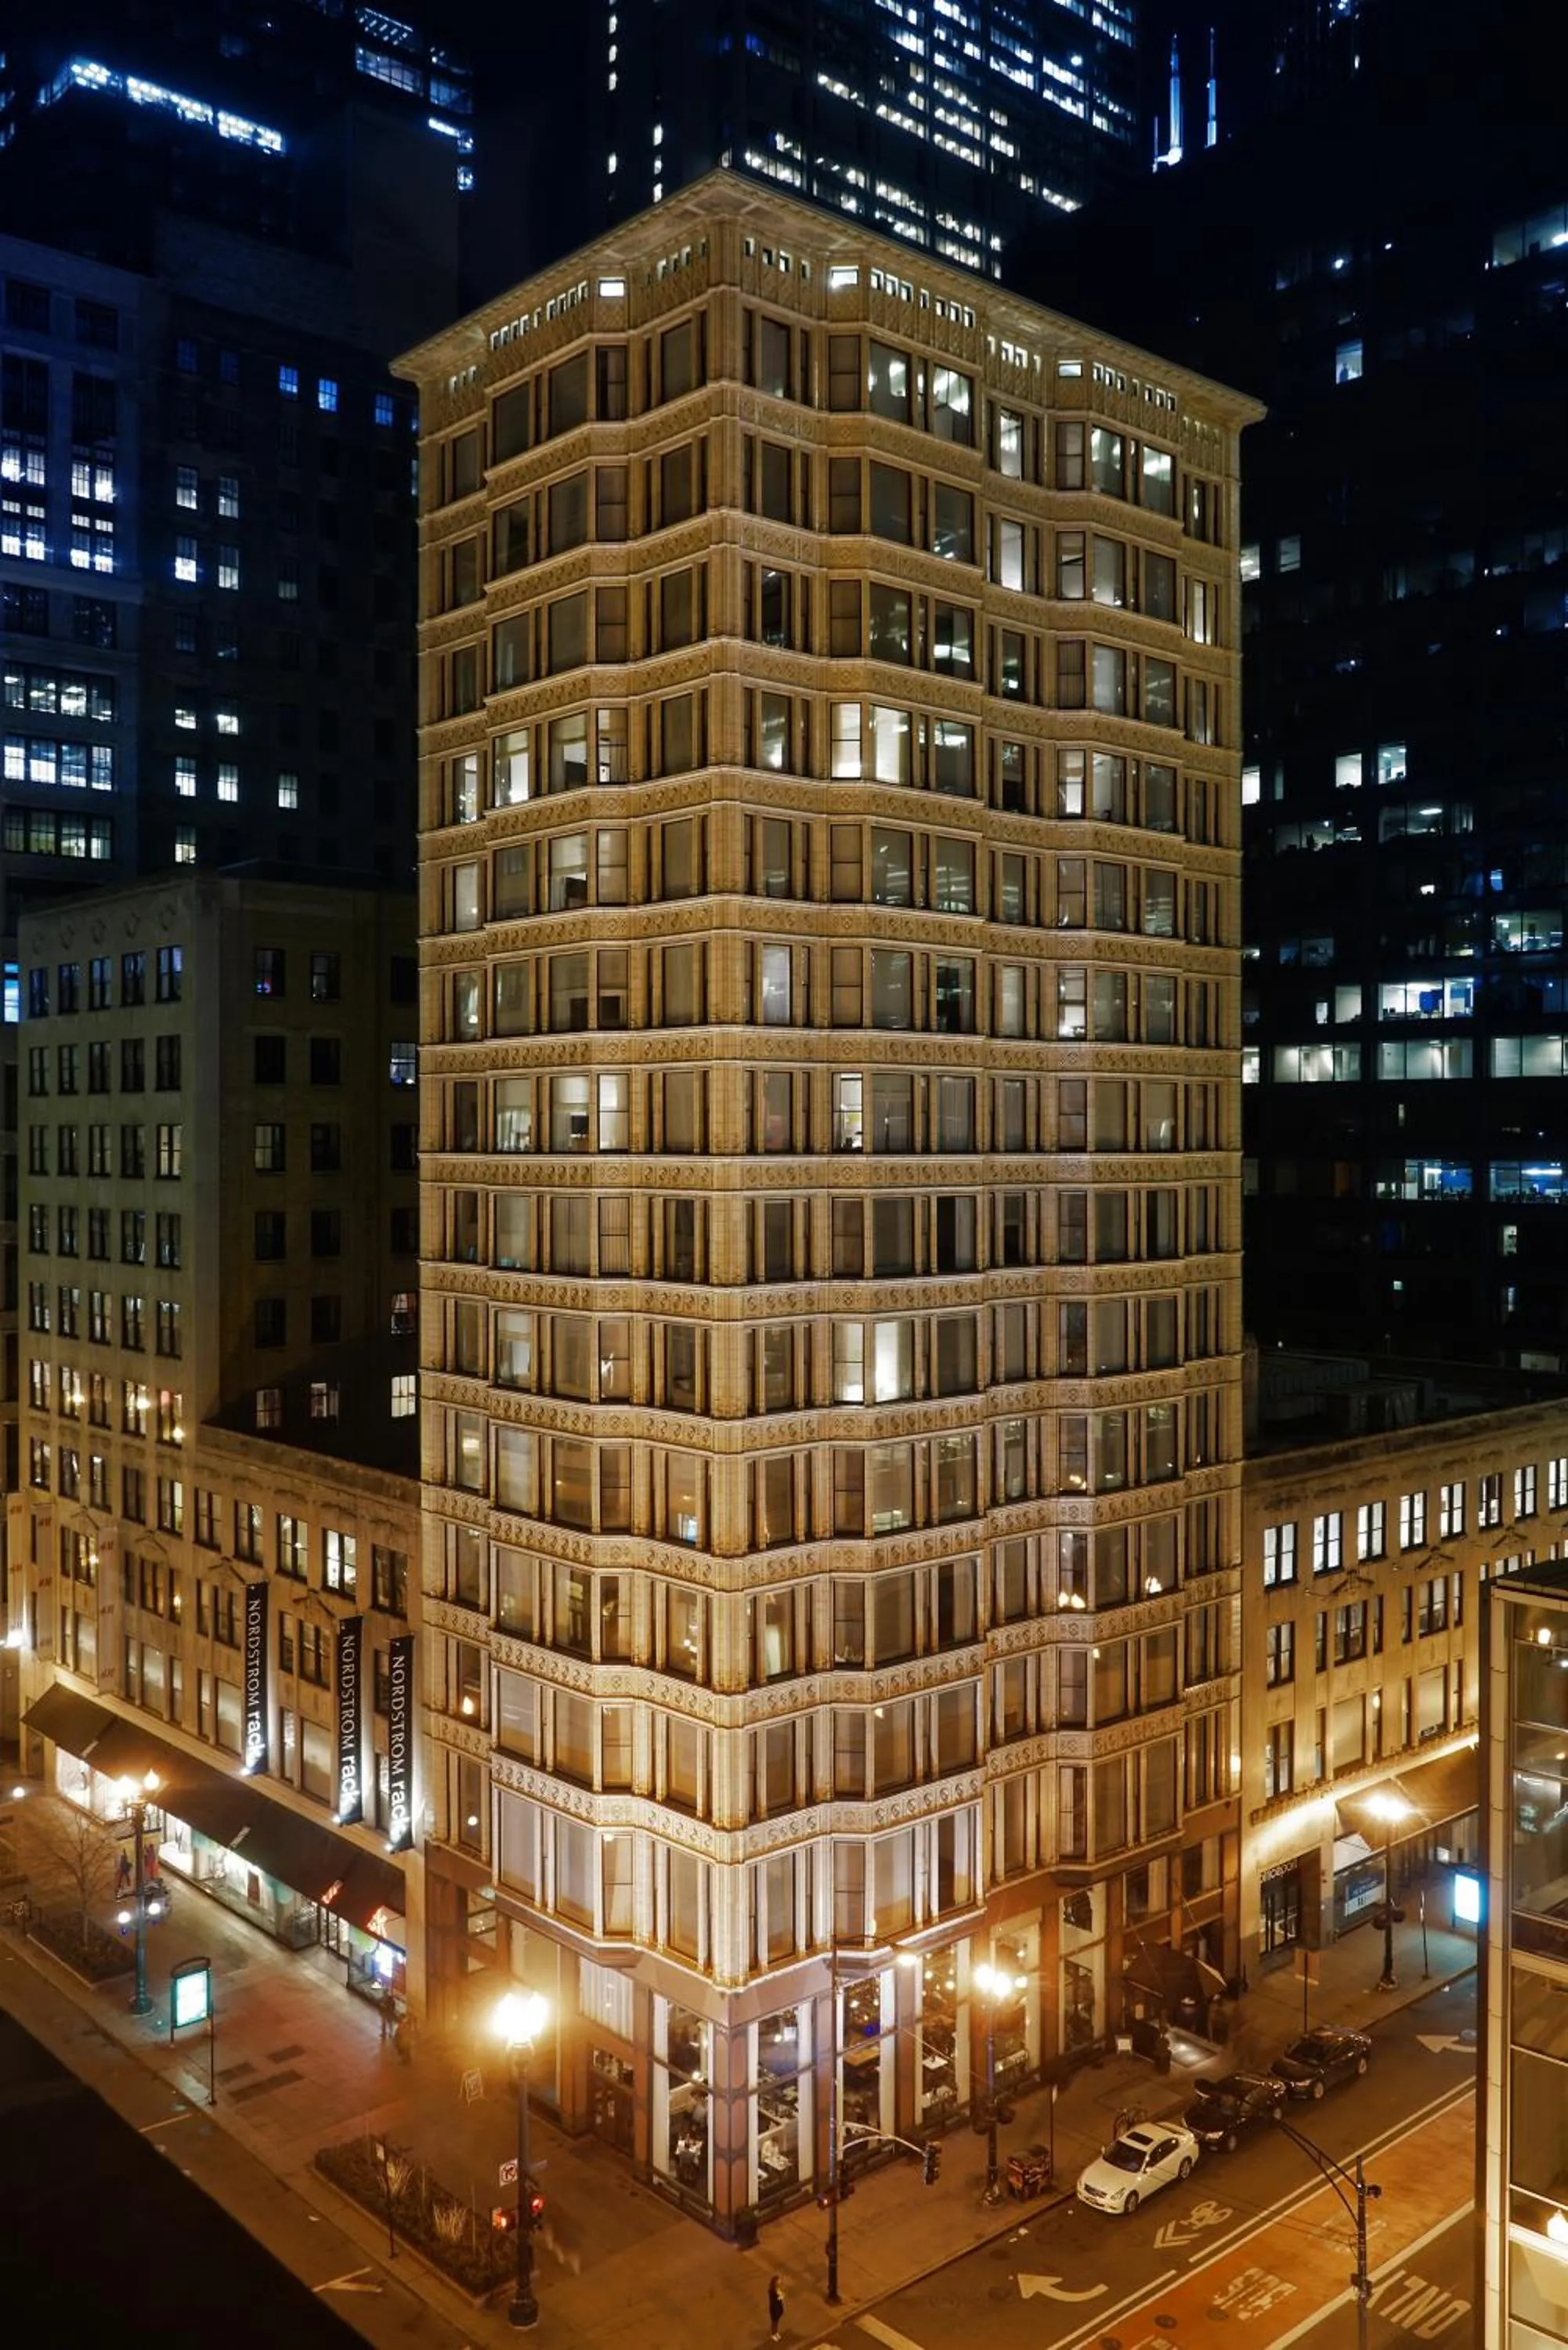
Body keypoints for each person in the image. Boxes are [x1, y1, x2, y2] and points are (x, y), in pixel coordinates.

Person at [768, 2275, 784, 2342]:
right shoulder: (771, 2290)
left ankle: (776, 2333)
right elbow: (774, 2300)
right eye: (778, 2281)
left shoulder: (777, 2289)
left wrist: (781, 2295)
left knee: (777, 2322)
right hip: (774, 2308)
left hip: (778, 2307)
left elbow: (781, 2294)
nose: (779, 2282)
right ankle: (773, 2334)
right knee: (774, 2322)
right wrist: (780, 2297)